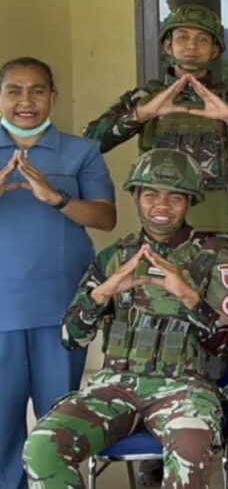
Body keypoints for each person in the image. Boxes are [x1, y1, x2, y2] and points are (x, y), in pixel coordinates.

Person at [23, 149, 228, 489]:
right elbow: (71, 338)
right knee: (42, 447)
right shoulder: (114, 257)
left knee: (190, 446)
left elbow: (227, 345)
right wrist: (103, 292)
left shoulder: (215, 256)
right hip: (114, 385)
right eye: (150, 194)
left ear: (190, 201)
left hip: (184, 387)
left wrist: (189, 296)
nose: (162, 205)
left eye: (175, 197)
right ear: (136, 197)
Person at [0, 57, 116, 489]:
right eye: (13, 90)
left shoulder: (81, 151)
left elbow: (105, 218)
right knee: (1, 426)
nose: (26, 101)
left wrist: (56, 198)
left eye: (37, 90)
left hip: (63, 310)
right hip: (2, 310)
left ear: (53, 96)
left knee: (58, 425)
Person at [84, 4, 228, 234]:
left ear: (214, 50)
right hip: (161, 223)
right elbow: (90, 142)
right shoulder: (146, 97)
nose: (191, 46)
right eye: (182, 37)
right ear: (168, 45)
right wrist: (141, 114)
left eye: (202, 39)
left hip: (218, 224)